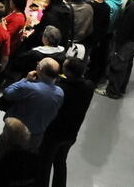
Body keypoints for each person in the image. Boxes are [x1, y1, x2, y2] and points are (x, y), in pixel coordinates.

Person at [38, 57, 94, 187]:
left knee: (44, 165)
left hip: (54, 134)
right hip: (71, 134)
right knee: (60, 162)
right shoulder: (89, 87)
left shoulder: (60, 90)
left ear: (68, 72)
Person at [0, 58, 64, 152]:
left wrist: (25, 80)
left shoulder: (28, 87)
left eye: (38, 64)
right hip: (37, 135)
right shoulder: (60, 93)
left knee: (3, 158)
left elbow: (7, 93)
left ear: (40, 69)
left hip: (16, 132)